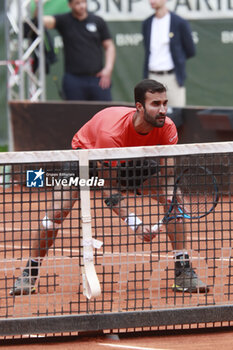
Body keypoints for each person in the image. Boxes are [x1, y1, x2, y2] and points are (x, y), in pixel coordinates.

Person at [10, 79, 208, 296]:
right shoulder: (112, 133)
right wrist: (136, 224)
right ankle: (29, 272)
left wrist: (172, 201)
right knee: (57, 211)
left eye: (164, 103)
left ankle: (184, 272)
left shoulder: (167, 127)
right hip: (86, 158)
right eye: (155, 104)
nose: (162, 110)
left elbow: (168, 175)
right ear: (139, 107)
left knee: (175, 199)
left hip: (130, 159)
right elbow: (108, 187)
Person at [36, 0, 115, 101]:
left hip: (98, 78)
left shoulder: (98, 21)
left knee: (105, 113)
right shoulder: (64, 20)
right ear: (70, 5)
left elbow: (109, 46)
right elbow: (39, 21)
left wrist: (108, 69)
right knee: (74, 114)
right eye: (77, 3)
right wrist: (39, 5)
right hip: (73, 79)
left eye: (83, 2)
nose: (82, 6)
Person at [142, 0, 196, 107]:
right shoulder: (147, 23)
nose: (152, 1)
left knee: (176, 115)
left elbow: (190, 50)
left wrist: (178, 60)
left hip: (172, 78)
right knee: (151, 117)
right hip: (151, 77)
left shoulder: (179, 22)